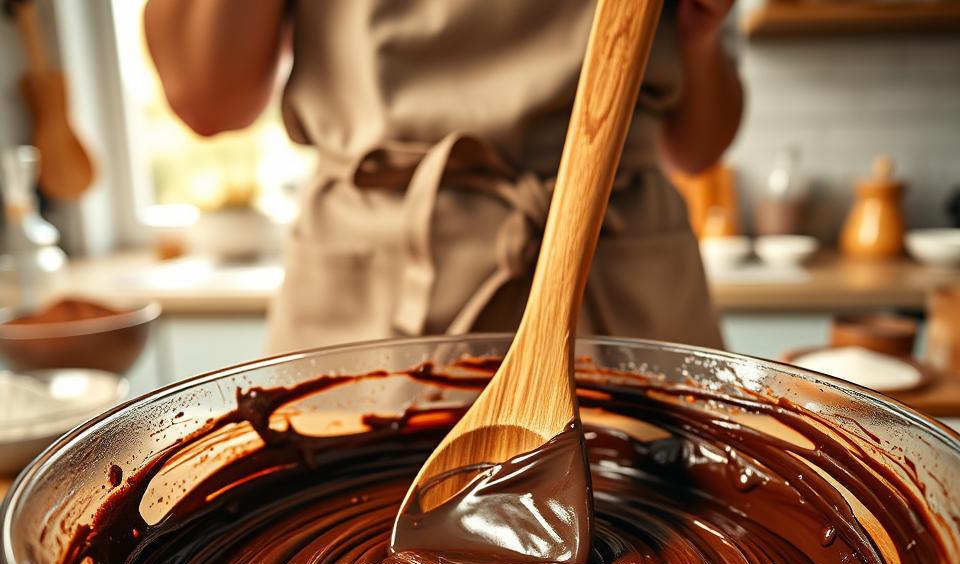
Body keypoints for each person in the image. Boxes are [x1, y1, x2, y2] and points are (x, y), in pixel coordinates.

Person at [145, 0, 742, 354]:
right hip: (367, 294)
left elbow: (697, 149)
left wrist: (700, 34)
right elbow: (208, 99)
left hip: (619, 276)